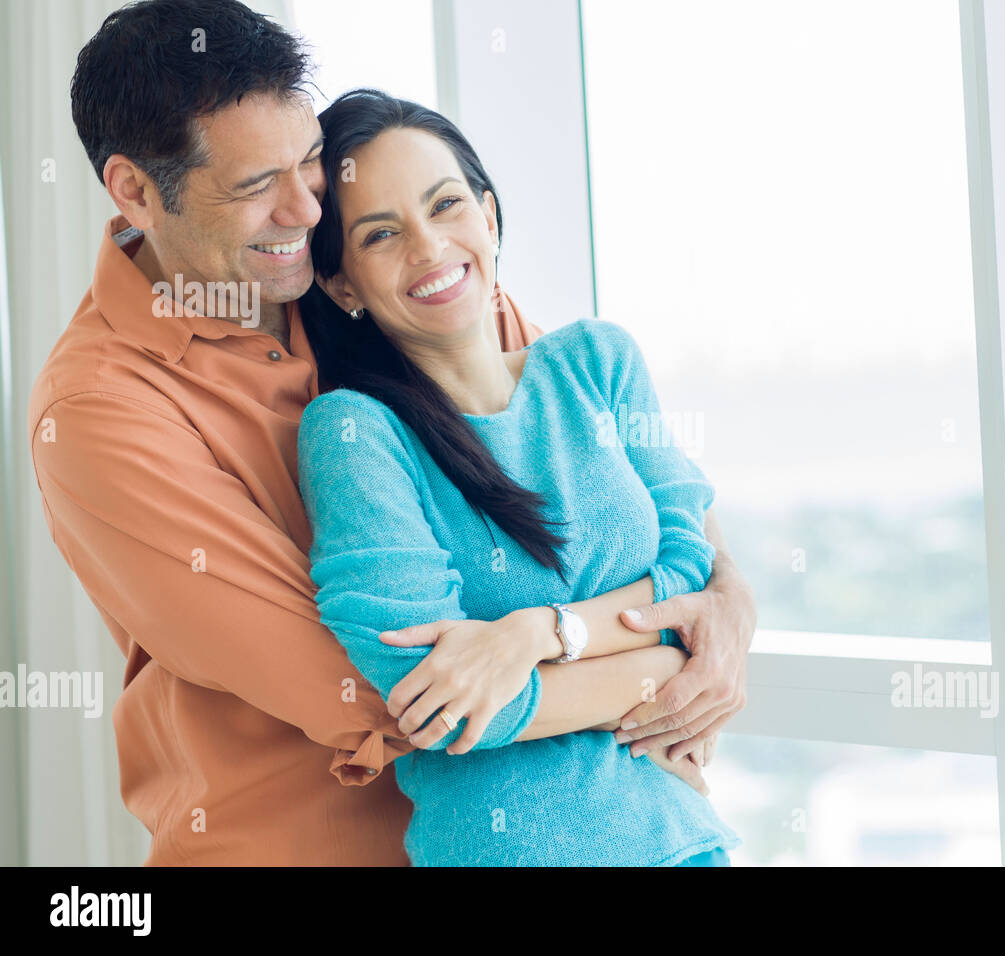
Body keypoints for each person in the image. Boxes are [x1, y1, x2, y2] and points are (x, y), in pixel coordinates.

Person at [27, 0, 754, 865]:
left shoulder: (414, 289)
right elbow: (394, 695)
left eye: (308, 164)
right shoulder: (103, 413)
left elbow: (622, 502)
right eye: (258, 187)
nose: (304, 208)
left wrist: (727, 608)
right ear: (136, 191)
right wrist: (666, 668)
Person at [297, 88, 742, 866]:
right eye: (380, 234)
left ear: (490, 216)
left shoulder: (599, 363)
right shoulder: (354, 434)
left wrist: (541, 634)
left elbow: (689, 566)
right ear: (341, 285)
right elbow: (438, 707)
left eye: (445, 205)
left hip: (682, 840)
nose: (430, 248)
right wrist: (661, 666)